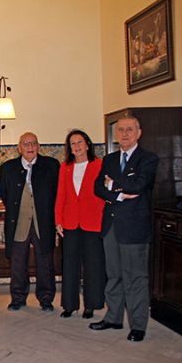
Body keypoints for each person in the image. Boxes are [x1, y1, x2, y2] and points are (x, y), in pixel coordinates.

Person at [90, 116, 159, 342]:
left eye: (130, 129)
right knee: (114, 276)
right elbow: (98, 188)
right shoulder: (109, 159)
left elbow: (140, 184)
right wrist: (118, 193)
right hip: (111, 225)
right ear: (116, 134)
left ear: (139, 132)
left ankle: (138, 325)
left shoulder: (147, 158)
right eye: (121, 130)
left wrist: (113, 184)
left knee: (135, 277)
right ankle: (113, 318)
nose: (125, 134)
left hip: (134, 228)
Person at [0, 132, 60, 311]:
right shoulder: (8, 168)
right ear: (19, 147)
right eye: (25, 144)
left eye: (33, 143)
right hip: (18, 222)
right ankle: (18, 298)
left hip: (43, 222)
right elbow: (5, 194)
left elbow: (57, 193)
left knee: (45, 262)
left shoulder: (51, 166)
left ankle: (46, 299)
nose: (30, 147)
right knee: (18, 262)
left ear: (38, 146)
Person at [54, 130, 106, 319]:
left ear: (87, 144)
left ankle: (91, 305)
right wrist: (58, 219)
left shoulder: (99, 165)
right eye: (72, 143)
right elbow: (61, 195)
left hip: (93, 222)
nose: (76, 146)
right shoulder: (65, 167)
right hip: (70, 222)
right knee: (69, 264)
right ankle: (69, 304)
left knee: (93, 265)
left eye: (79, 142)